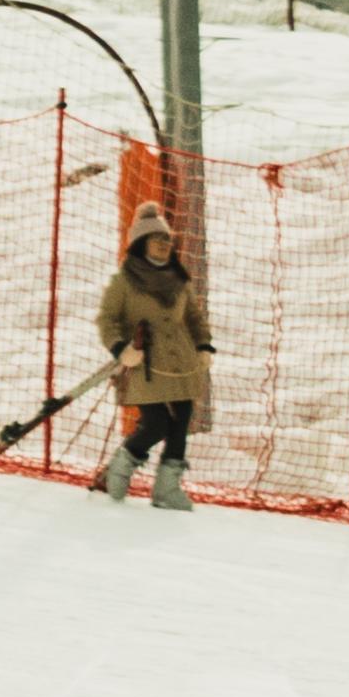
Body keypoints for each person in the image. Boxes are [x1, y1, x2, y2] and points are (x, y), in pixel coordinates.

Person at [96, 206, 215, 511]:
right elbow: (107, 320)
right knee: (156, 423)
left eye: (167, 238)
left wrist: (203, 346)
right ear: (141, 242)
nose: (164, 243)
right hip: (144, 364)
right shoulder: (124, 281)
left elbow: (194, 317)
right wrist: (122, 349)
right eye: (157, 238)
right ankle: (117, 472)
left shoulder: (178, 279)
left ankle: (167, 489)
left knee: (181, 424)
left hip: (183, 364)